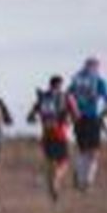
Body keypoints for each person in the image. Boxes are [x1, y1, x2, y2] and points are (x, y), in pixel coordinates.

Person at [26, 75, 78, 203]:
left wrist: (37, 119)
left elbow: (30, 117)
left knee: (50, 164)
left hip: (46, 134)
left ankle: (52, 191)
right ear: (60, 84)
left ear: (50, 84)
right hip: (60, 133)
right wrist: (70, 121)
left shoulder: (43, 98)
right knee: (64, 163)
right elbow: (77, 114)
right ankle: (56, 180)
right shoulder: (65, 97)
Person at [69, 56, 107, 193]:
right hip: (92, 118)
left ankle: (80, 176)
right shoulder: (98, 81)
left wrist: (74, 112)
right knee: (94, 152)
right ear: (95, 67)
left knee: (82, 150)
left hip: (78, 119)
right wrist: (104, 114)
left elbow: (68, 96)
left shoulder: (76, 79)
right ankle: (87, 182)